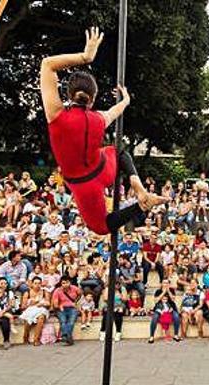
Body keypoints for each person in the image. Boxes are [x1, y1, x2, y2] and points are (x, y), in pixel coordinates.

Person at [39, 27, 167, 235]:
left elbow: (48, 65)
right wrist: (125, 101)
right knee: (118, 150)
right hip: (103, 170)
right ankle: (137, 183)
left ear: (69, 94)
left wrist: (85, 56)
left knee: (101, 227)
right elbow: (113, 112)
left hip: (84, 187)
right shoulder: (98, 119)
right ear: (94, 97)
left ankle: (140, 205)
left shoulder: (57, 116)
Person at [52, 276, 82, 345]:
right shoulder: (57, 291)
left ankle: (65, 336)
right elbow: (55, 304)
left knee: (71, 322)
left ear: (70, 282)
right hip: (61, 308)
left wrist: (75, 301)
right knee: (63, 321)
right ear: (61, 284)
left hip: (72, 308)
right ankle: (68, 337)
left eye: (67, 282)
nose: (65, 284)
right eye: (63, 283)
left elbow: (80, 294)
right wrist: (60, 306)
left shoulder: (74, 288)